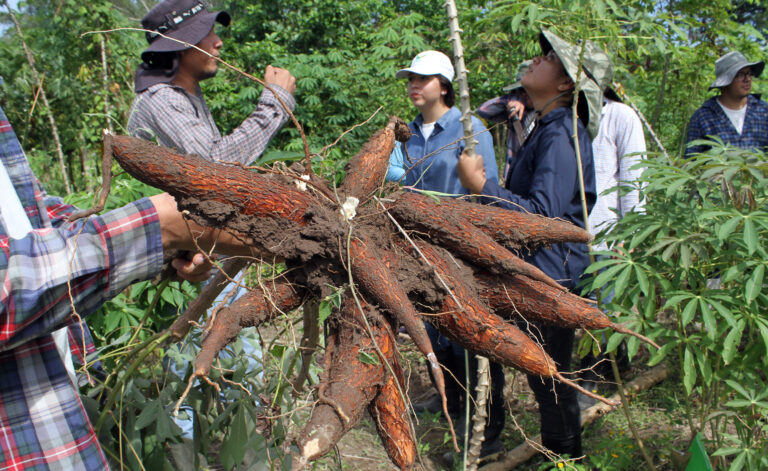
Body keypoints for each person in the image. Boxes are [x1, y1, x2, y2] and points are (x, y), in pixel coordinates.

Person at [0, 102, 258, 470]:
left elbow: (34, 217)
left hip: (59, 410)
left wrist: (167, 246)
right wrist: (159, 228)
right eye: (205, 40)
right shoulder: (163, 97)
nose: (217, 42)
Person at [458, 30, 608, 458]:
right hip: (539, 269)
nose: (537, 60)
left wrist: (481, 185)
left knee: (551, 378)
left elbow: (542, 216)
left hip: (552, 273)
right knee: (543, 374)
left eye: (549, 58)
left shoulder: (563, 132)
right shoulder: (547, 126)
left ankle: (567, 459)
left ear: (565, 85)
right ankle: (553, 453)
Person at [384, 50, 503, 462]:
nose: (414, 85)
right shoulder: (410, 132)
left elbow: (487, 192)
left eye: (423, 78)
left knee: (471, 338)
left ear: (445, 85)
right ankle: (448, 401)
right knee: (436, 329)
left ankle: (486, 433)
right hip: (419, 246)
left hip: (458, 245)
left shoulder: (469, 130)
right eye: (411, 79)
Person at [127, 0, 296, 165]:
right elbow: (213, 165)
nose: (219, 42)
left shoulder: (185, 91)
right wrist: (275, 102)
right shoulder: (162, 98)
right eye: (207, 33)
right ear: (180, 46)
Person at [578, 74, 647, 408]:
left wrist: (630, 234)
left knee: (608, 310)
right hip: (572, 233)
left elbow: (635, 178)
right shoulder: (564, 116)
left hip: (609, 233)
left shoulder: (619, 116)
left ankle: (605, 372)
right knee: (582, 310)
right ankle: (592, 367)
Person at [686, 51, 768, 156]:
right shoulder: (703, 117)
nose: (747, 79)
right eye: (740, 75)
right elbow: (692, 160)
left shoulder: (763, 111)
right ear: (725, 82)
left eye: (748, 73)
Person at [476, 60, 536, 181]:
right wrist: (512, 101)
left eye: (527, 89)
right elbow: (483, 110)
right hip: (516, 179)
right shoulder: (515, 112)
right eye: (521, 91)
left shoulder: (548, 113)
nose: (524, 94)